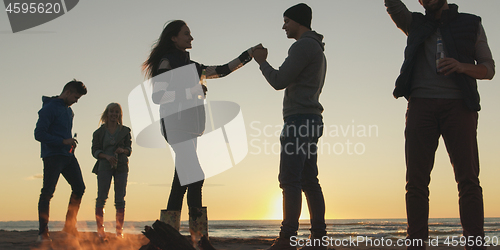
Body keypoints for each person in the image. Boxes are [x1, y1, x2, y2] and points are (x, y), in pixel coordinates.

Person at [384, 0, 495, 249]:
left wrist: (461, 66)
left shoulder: (471, 22)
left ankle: (475, 244)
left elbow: (488, 68)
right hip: (420, 106)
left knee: (468, 180)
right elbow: (392, 4)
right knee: (416, 182)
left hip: (460, 106)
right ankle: (417, 243)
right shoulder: (415, 23)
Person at [142, 19, 258, 249]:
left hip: (191, 127)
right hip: (174, 126)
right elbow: (158, 97)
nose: (191, 38)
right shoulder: (166, 62)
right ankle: (199, 240)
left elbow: (222, 71)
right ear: (173, 38)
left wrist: (248, 55)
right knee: (195, 176)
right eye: (186, 34)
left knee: (182, 180)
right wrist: (191, 90)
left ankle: (169, 237)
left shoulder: (194, 67)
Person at [253, 3, 328, 250]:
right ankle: (318, 237)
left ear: (298, 21)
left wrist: (262, 62)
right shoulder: (316, 47)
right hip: (312, 119)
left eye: (286, 21)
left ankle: (287, 239)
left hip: (298, 121)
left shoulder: (303, 46)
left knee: (290, 180)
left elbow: (279, 80)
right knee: (308, 180)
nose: (283, 26)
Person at [34, 79, 87, 242]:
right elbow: (39, 134)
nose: (76, 101)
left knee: (79, 187)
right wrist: (62, 141)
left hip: (68, 156)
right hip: (52, 156)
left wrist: (69, 143)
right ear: (68, 92)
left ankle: (70, 227)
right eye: (76, 97)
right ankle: (43, 233)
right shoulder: (49, 108)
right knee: (48, 192)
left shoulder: (69, 112)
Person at [91, 103, 132, 239]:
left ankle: (119, 232)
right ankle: (100, 230)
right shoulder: (99, 133)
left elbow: (129, 149)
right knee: (101, 198)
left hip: (121, 166)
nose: (114, 114)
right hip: (104, 166)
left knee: (120, 199)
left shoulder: (125, 131)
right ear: (107, 114)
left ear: (119, 114)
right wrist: (106, 156)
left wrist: (123, 150)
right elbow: (95, 151)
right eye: (111, 112)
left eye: (116, 112)